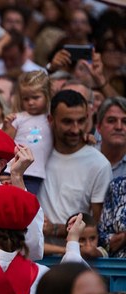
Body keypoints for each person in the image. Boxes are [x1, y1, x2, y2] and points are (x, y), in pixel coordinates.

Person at [40, 90, 112, 252]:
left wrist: (56, 229)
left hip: (77, 261)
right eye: (67, 122)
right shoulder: (37, 154)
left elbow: (98, 225)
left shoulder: (99, 164)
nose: (75, 129)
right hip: (37, 258)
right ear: (51, 120)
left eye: (81, 121)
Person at [3, 71, 53, 195]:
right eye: (26, 99)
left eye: (35, 97)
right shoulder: (18, 118)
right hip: (11, 170)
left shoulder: (51, 119)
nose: (30, 102)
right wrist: (6, 126)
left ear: (47, 95)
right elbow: (5, 141)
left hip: (35, 174)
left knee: (27, 206)